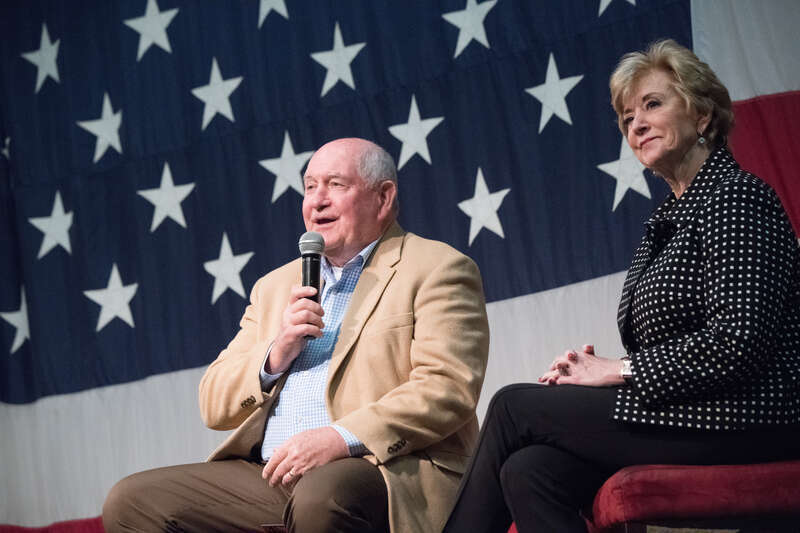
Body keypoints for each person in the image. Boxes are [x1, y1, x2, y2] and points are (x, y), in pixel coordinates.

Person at [443, 39, 800, 533]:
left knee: (511, 407)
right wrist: (591, 372)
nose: (636, 125)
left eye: (653, 104)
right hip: (690, 409)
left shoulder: (736, 197)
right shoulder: (666, 222)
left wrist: (618, 370)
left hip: (750, 416)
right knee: (529, 469)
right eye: (628, 117)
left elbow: (739, 341)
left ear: (702, 116)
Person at [102, 138, 490, 533]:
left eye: (336, 185)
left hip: (383, 468)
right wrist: (276, 353)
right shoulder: (274, 287)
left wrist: (340, 438)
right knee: (131, 503)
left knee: (322, 496)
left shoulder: (436, 268)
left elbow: (447, 388)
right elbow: (213, 403)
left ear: (383, 197)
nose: (317, 201)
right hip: (272, 474)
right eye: (310, 187)